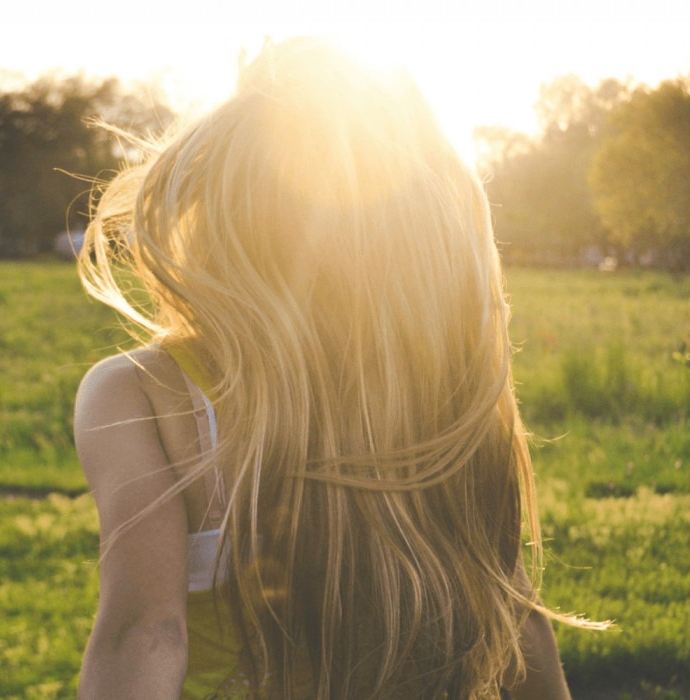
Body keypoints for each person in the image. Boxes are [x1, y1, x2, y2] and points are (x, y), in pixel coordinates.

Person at [73, 38, 602, 700]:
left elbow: (146, 633)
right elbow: (515, 616)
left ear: (222, 206)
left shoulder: (143, 394)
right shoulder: (448, 403)